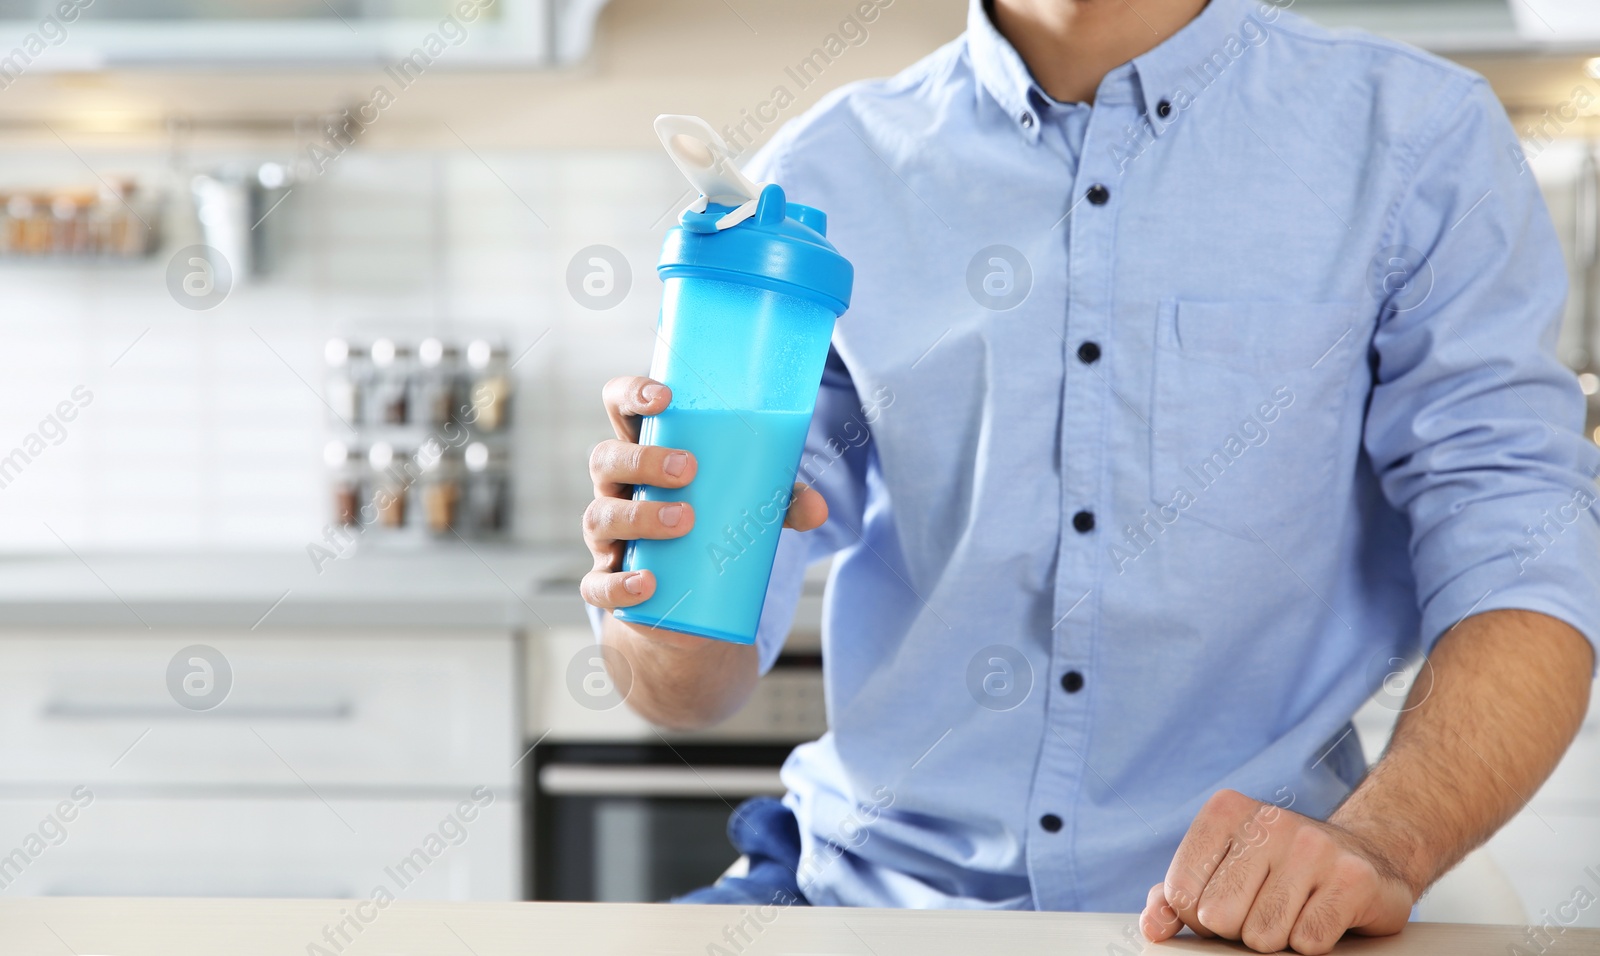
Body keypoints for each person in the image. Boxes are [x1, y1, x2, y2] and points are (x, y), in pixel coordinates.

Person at [580, 0, 1600, 952]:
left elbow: (1526, 552)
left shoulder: (1415, 138)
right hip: (860, 900)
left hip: (1239, 917)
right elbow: (682, 685)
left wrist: (1383, 839)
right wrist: (654, 575)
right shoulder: (821, 174)